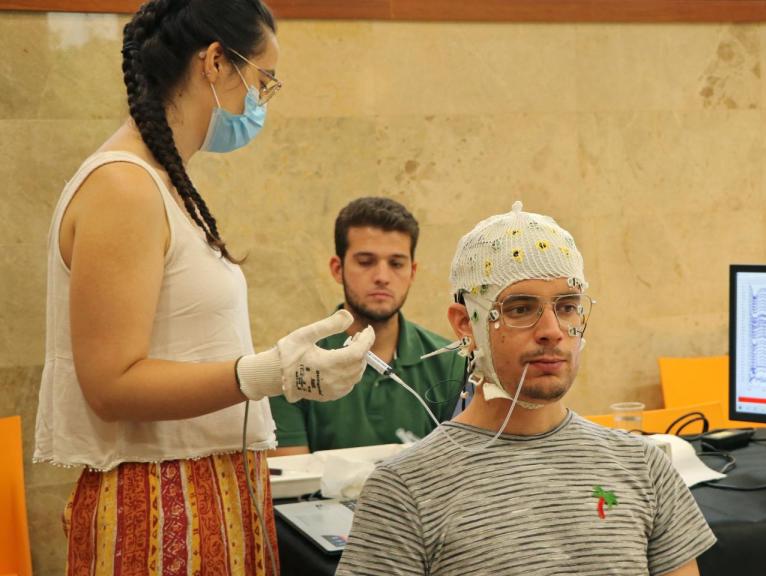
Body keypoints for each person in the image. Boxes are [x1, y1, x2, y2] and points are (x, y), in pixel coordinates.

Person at [33, 1, 374, 574]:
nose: (260, 104)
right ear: (214, 62)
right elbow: (110, 383)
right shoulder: (124, 186)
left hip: (210, 491)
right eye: (261, 81)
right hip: (160, 509)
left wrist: (283, 369)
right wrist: (263, 373)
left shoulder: (164, 182)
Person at [336, 202, 716, 576]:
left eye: (567, 307)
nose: (552, 330)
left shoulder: (643, 467)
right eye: (520, 309)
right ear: (466, 324)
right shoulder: (405, 489)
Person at [271, 197, 468, 454]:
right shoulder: (293, 362)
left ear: (413, 271)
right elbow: (293, 482)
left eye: (396, 264)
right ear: (337, 269)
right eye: (365, 261)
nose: (382, 277)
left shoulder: (450, 362)